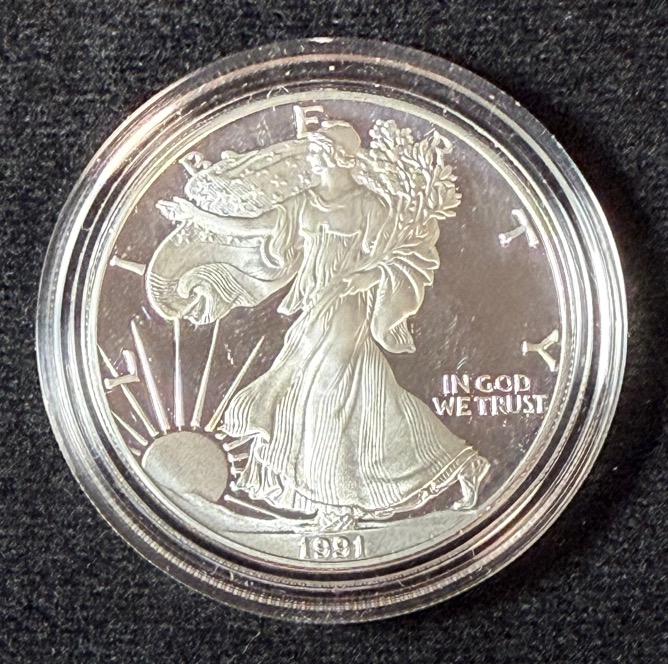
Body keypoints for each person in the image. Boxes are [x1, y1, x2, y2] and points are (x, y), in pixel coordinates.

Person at [150, 120, 489, 531]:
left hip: (347, 307)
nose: (312, 156)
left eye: (320, 150)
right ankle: (461, 464)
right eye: (315, 150)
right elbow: (252, 228)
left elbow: (398, 257)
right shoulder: (304, 203)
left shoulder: (369, 206)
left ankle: (336, 502)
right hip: (314, 307)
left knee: (324, 397)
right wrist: (196, 215)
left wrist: (362, 278)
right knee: (367, 398)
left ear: (339, 157)